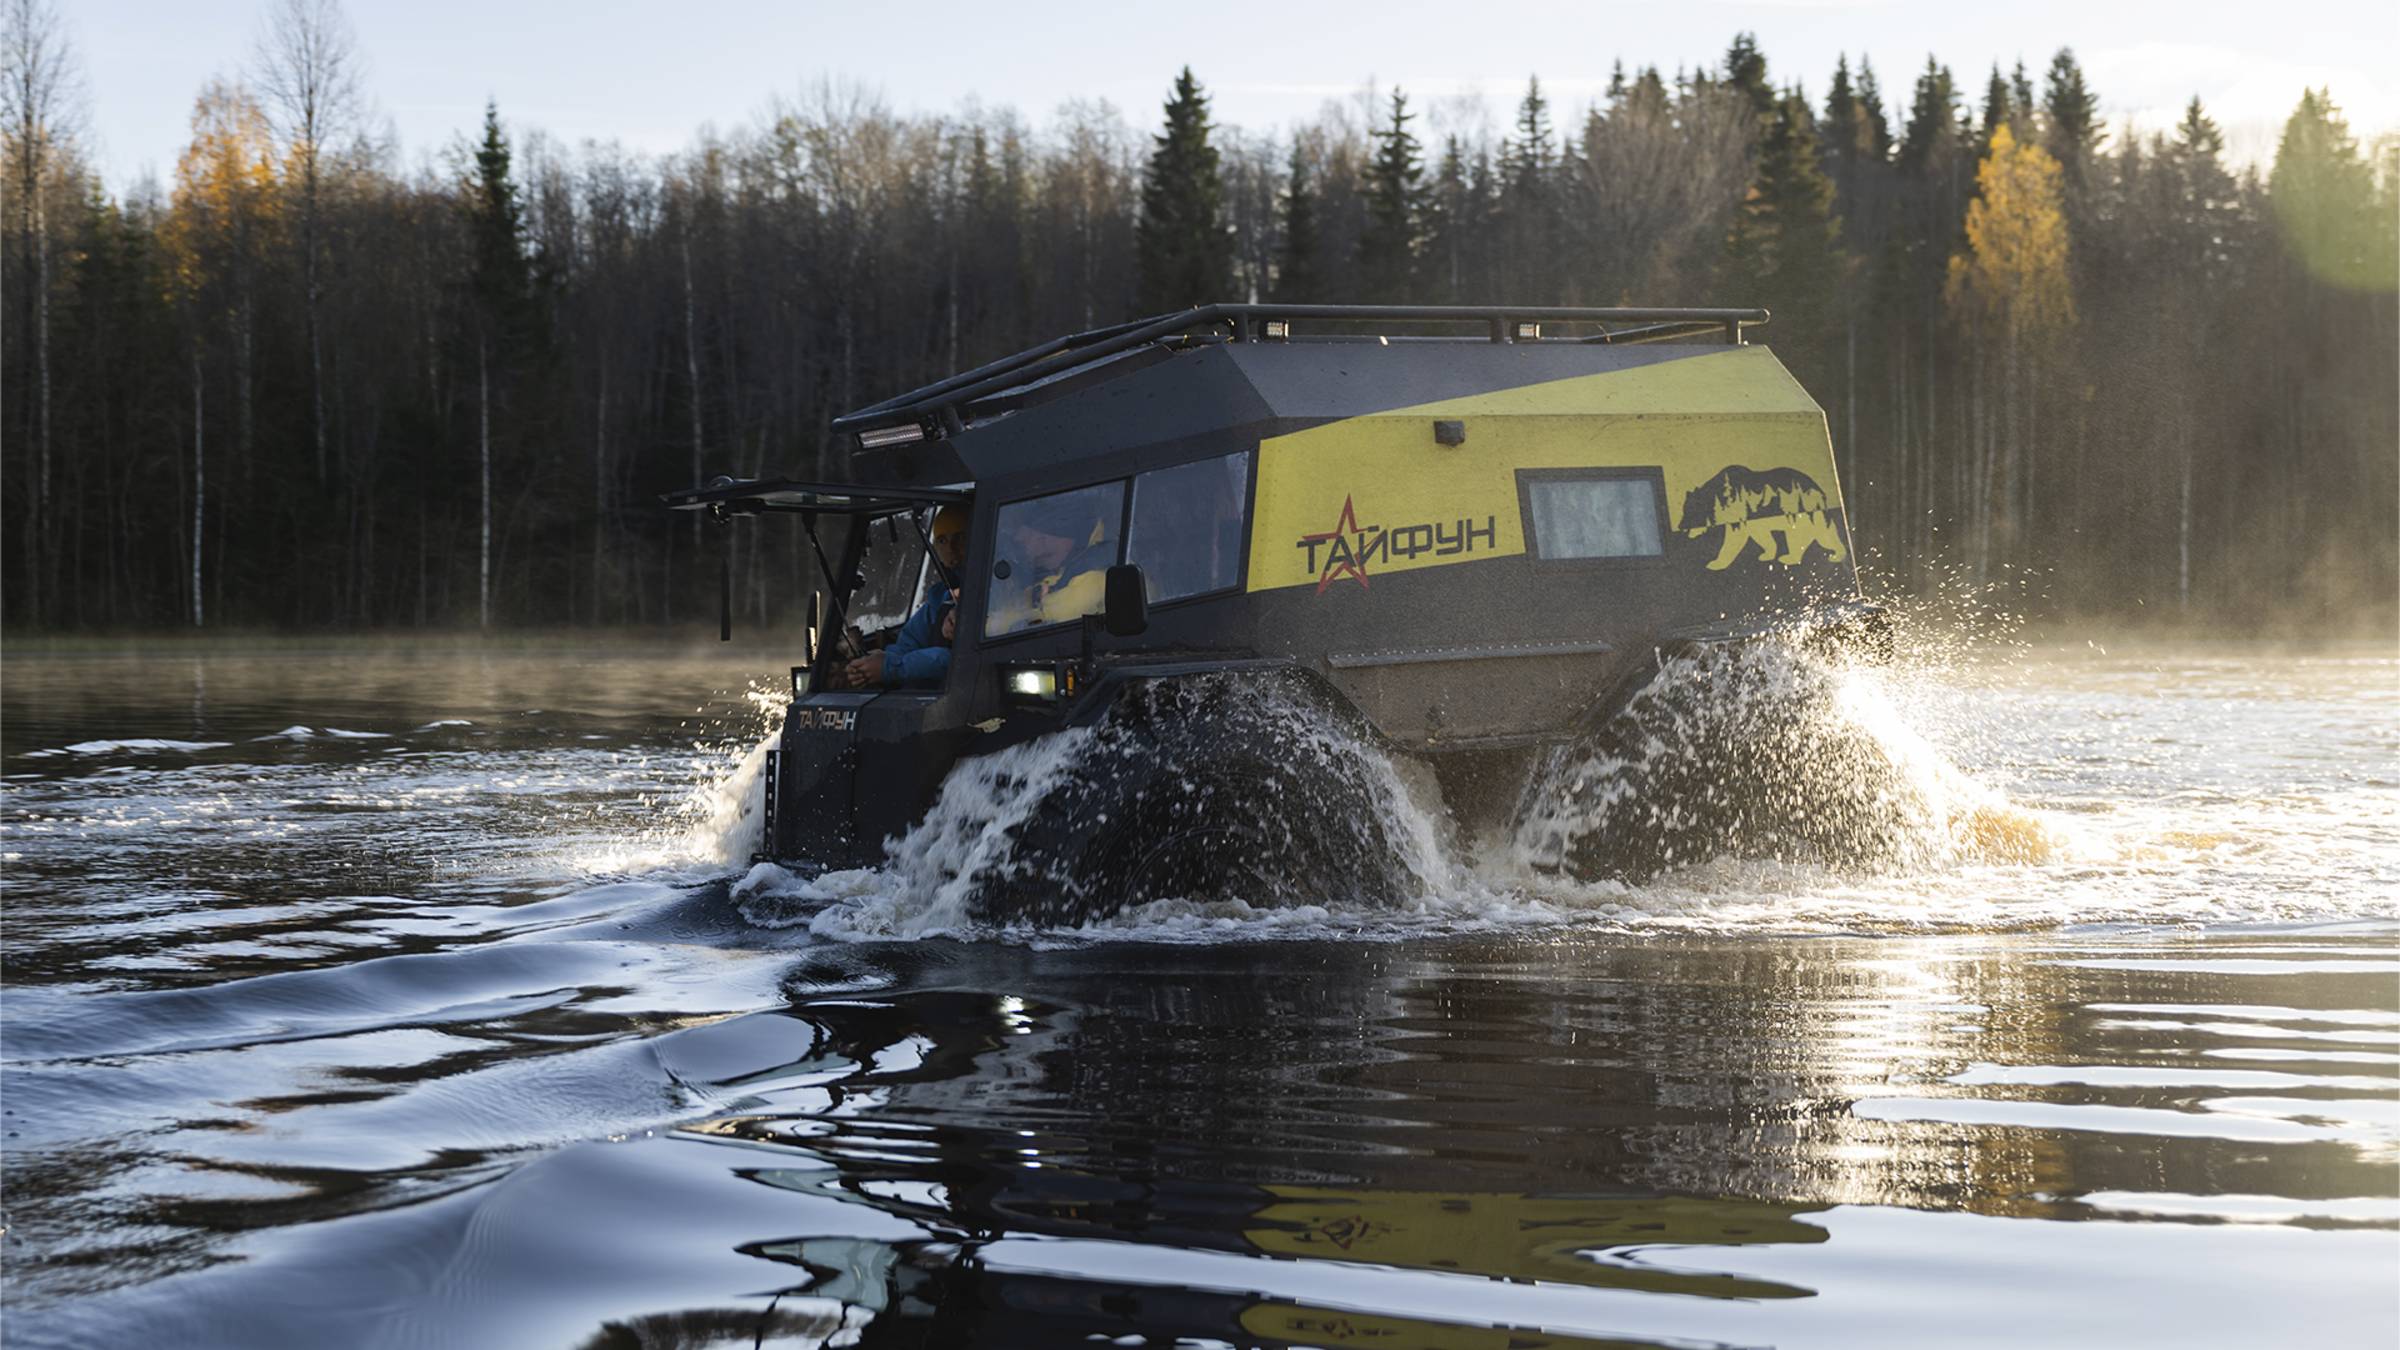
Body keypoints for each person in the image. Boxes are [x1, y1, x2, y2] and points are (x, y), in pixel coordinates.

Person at [839, 504, 968, 689]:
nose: (951, 549)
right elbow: (909, 644)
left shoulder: (999, 591)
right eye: (942, 540)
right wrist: (871, 665)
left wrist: (891, 667)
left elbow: (962, 661)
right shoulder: (940, 598)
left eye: (960, 538)